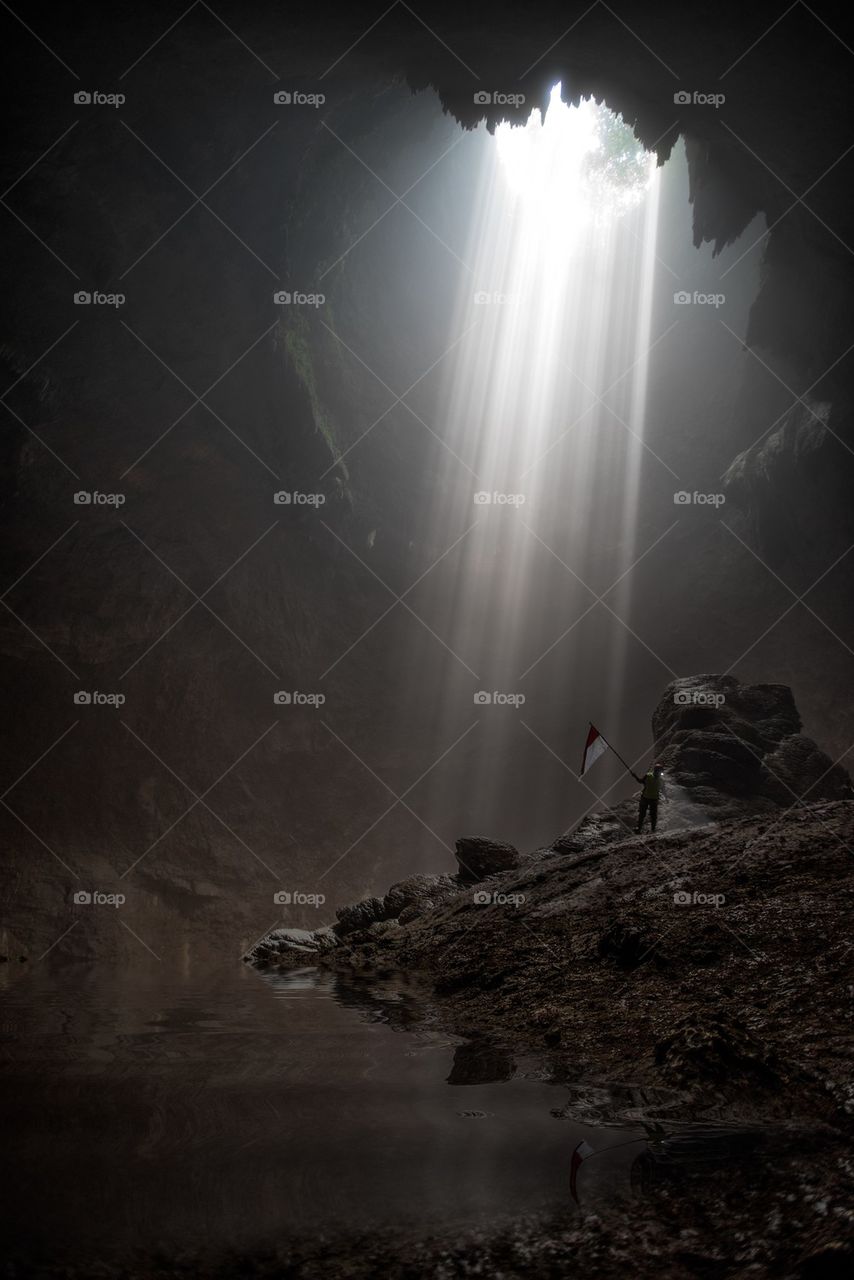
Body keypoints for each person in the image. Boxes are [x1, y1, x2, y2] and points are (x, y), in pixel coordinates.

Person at [632, 763, 666, 833]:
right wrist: (635, 776)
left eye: (661, 772)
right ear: (656, 770)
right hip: (647, 798)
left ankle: (651, 829)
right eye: (660, 771)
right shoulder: (649, 776)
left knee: (651, 815)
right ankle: (640, 829)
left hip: (650, 799)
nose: (660, 773)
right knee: (643, 814)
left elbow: (663, 790)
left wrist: (666, 797)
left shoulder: (659, 779)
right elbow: (640, 781)